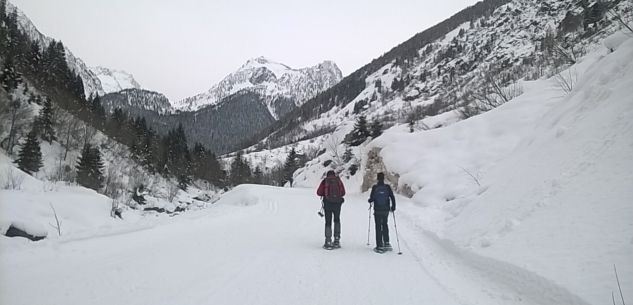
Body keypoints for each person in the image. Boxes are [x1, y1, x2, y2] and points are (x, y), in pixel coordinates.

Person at [316, 170, 346, 249]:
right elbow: (343, 192)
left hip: (327, 203)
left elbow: (319, 192)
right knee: (337, 220)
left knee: (328, 222)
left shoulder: (325, 181)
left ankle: (328, 241)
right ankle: (337, 240)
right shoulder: (338, 180)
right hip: (337, 204)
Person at [368, 172, 396, 253]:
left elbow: (372, 198)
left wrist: (370, 200)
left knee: (378, 226)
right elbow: (392, 197)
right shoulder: (387, 187)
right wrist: (393, 207)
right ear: (384, 178)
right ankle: (387, 242)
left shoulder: (375, 187)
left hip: (377, 210)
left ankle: (379, 245)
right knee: (385, 224)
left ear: (377, 178)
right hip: (386, 209)